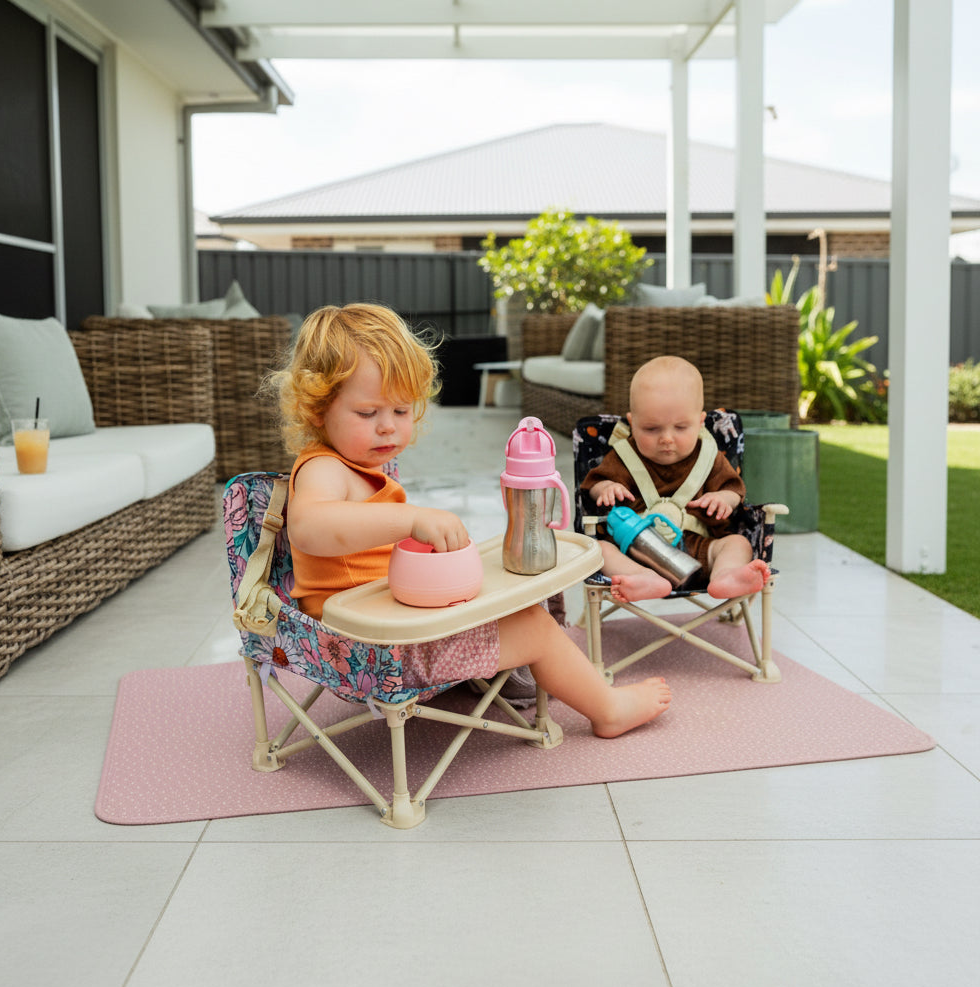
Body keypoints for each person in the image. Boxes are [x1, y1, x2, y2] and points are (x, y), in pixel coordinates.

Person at [269, 303, 671, 738]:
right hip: (369, 653)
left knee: (512, 591)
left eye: (401, 411)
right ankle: (607, 708)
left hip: (388, 627)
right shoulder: (323, 469)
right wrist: (409, 519)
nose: (388, 428)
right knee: (532, 627)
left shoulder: (363, 469)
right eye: (368, 414)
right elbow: (309, 527)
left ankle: (518, 670)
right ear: (316, 410)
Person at [583, 355, 771, 604]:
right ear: (632, 422)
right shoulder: (624, 456)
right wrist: (606, 488)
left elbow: (733, 490)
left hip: (700, 549)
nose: (667, 439)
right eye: (651, 429)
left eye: (681, 427)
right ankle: (644, 579)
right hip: (636, 551)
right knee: (600, 550)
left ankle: (724, 576)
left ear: (700, 422)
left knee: (738, 543)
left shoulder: (709, 457)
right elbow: (593, 484)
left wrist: (722, 498)